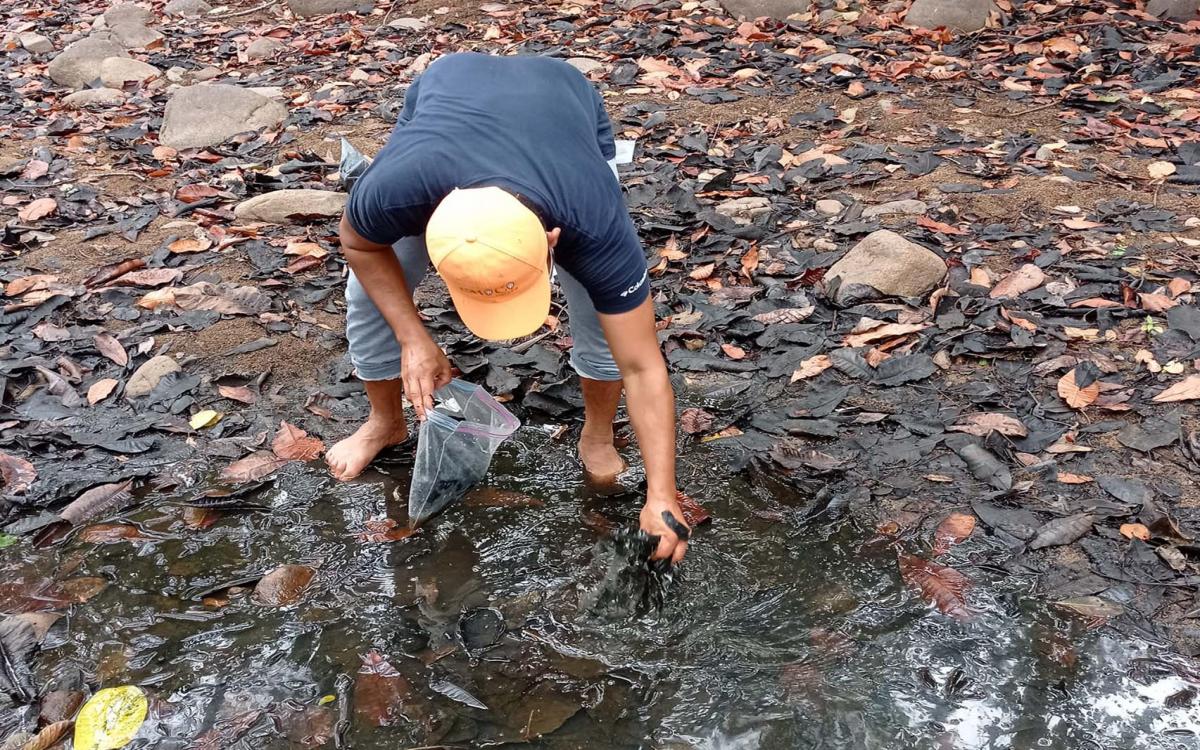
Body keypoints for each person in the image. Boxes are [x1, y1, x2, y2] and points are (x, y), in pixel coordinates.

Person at [325, 52, 689, 563]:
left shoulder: (592, 217)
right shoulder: (394, 191)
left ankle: (597, 433)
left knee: (603, 321)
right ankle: (385, 422)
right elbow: (359, 245)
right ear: (431, 232)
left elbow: (642, 365)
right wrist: (413, 337)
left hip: (563, 97)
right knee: (371, 294)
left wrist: (662, 496)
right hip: (448, 87)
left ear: (552, 240)